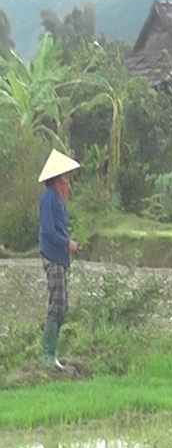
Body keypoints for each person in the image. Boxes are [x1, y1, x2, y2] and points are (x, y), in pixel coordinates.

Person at [37, 150, 81, 370]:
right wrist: (67, 244)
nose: (67, 180)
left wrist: (68, 243)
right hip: (52, 256)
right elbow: (49, 232)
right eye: (64, 175)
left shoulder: (57, 198)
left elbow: (59, 229)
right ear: (56, 177)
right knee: (58, 303)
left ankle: (51, 353)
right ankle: (47, 354)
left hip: (60, 256)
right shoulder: (48, 199)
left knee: (62, 303)